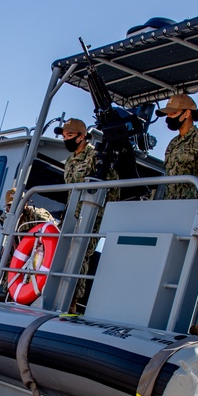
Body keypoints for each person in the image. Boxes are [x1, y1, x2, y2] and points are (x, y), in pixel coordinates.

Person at [59, 118, 118, 312]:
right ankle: (59, 297)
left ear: (82, 136)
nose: (65, 139)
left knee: (80, 257)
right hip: (71, 214)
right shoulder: (69, 161)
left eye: (70, 136)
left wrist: (103, 213)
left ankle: (72, 304)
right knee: (63, 254)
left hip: (90, 216)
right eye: (64, 136)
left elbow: (112, 186)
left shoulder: (94, 155)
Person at [157, 94, 198, 201]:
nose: (169, 117)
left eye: (173, 113)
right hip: (171, 204)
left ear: (187, 113)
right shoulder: (173, 143)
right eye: (168, 114)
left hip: (193, 205)